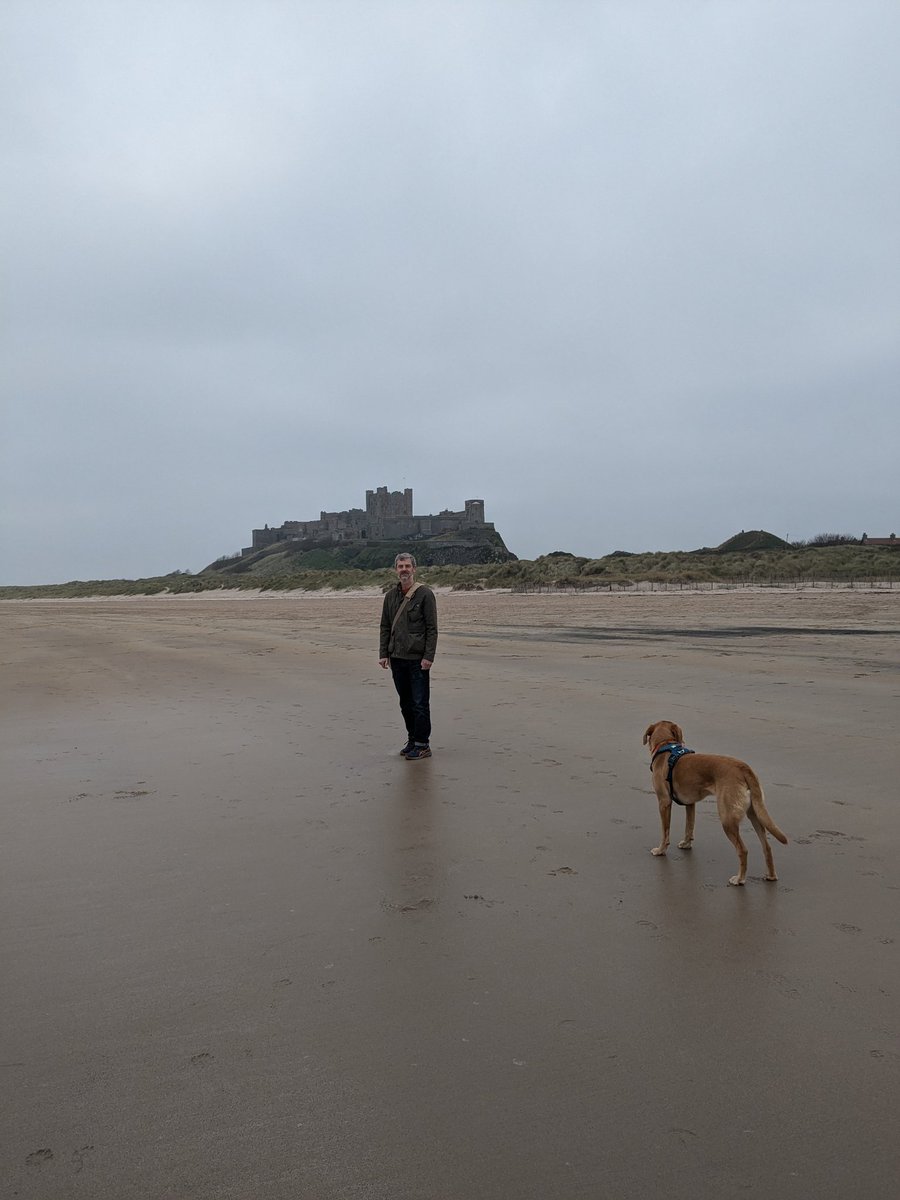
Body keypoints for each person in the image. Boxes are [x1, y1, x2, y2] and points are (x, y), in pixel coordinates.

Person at [379, 552, 438, 760]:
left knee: (420, 702)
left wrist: (428, 656)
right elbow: (385, 626)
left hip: (417, 659)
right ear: (396, 570)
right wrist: (383, 653)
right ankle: (412, 739)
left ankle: (423, 744)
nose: (404, 569)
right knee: (405, 702)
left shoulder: (425, 594)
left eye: (407, 566)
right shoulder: (390, 596)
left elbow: (432, 628)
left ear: (414, 569)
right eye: (400, 566)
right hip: (397, 657)